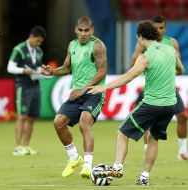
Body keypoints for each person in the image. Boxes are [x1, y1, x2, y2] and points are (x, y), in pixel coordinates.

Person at [88, 20, 184, 185]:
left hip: (152, 104)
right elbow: (181, 70)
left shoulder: (145, 57)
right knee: (154, 139)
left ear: (140, 36)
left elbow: (128, 77)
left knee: (122, 133)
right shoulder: (171, 50)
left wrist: (104, 87)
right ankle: (144, 177)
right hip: (170, 105)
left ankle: (117, 167)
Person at [41, 16, 107, 178]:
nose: (83, 34)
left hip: (93, 93)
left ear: (92, 30)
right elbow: (66, 68)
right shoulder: (72, 45)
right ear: (75, 30)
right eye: (80, 30)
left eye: (87, 30)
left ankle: (87, 166)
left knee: (84, 123)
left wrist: (83, 90)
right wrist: (53, 71)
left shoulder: (97, 46)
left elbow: (102, 72)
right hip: (77, 93)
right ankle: (74, 158)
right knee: (58, 122)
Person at [132, 15, 188, 160]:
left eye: (161, 27)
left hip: (169, 88)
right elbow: (135, 64)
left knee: (182, 116)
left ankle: (182, 150)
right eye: (156, 28)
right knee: (145, 121)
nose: (159, 30)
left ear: (165, 28)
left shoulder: (172, 43)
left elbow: (178, 65)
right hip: (151, 88)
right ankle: (146, 150)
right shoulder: (142, 45)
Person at [7, 26, 47, 156]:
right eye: (38, 41)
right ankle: (18, 147)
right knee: (22, 116)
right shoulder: (19, 49)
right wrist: (23, 71)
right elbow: (10, 67)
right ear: (31, 36)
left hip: (36, 85)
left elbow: (37, 67)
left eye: (40, 42)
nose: (39, 44)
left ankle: (26, 146)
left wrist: (44, 71)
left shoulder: (39, 51)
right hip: (23, 86)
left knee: (31, 117)